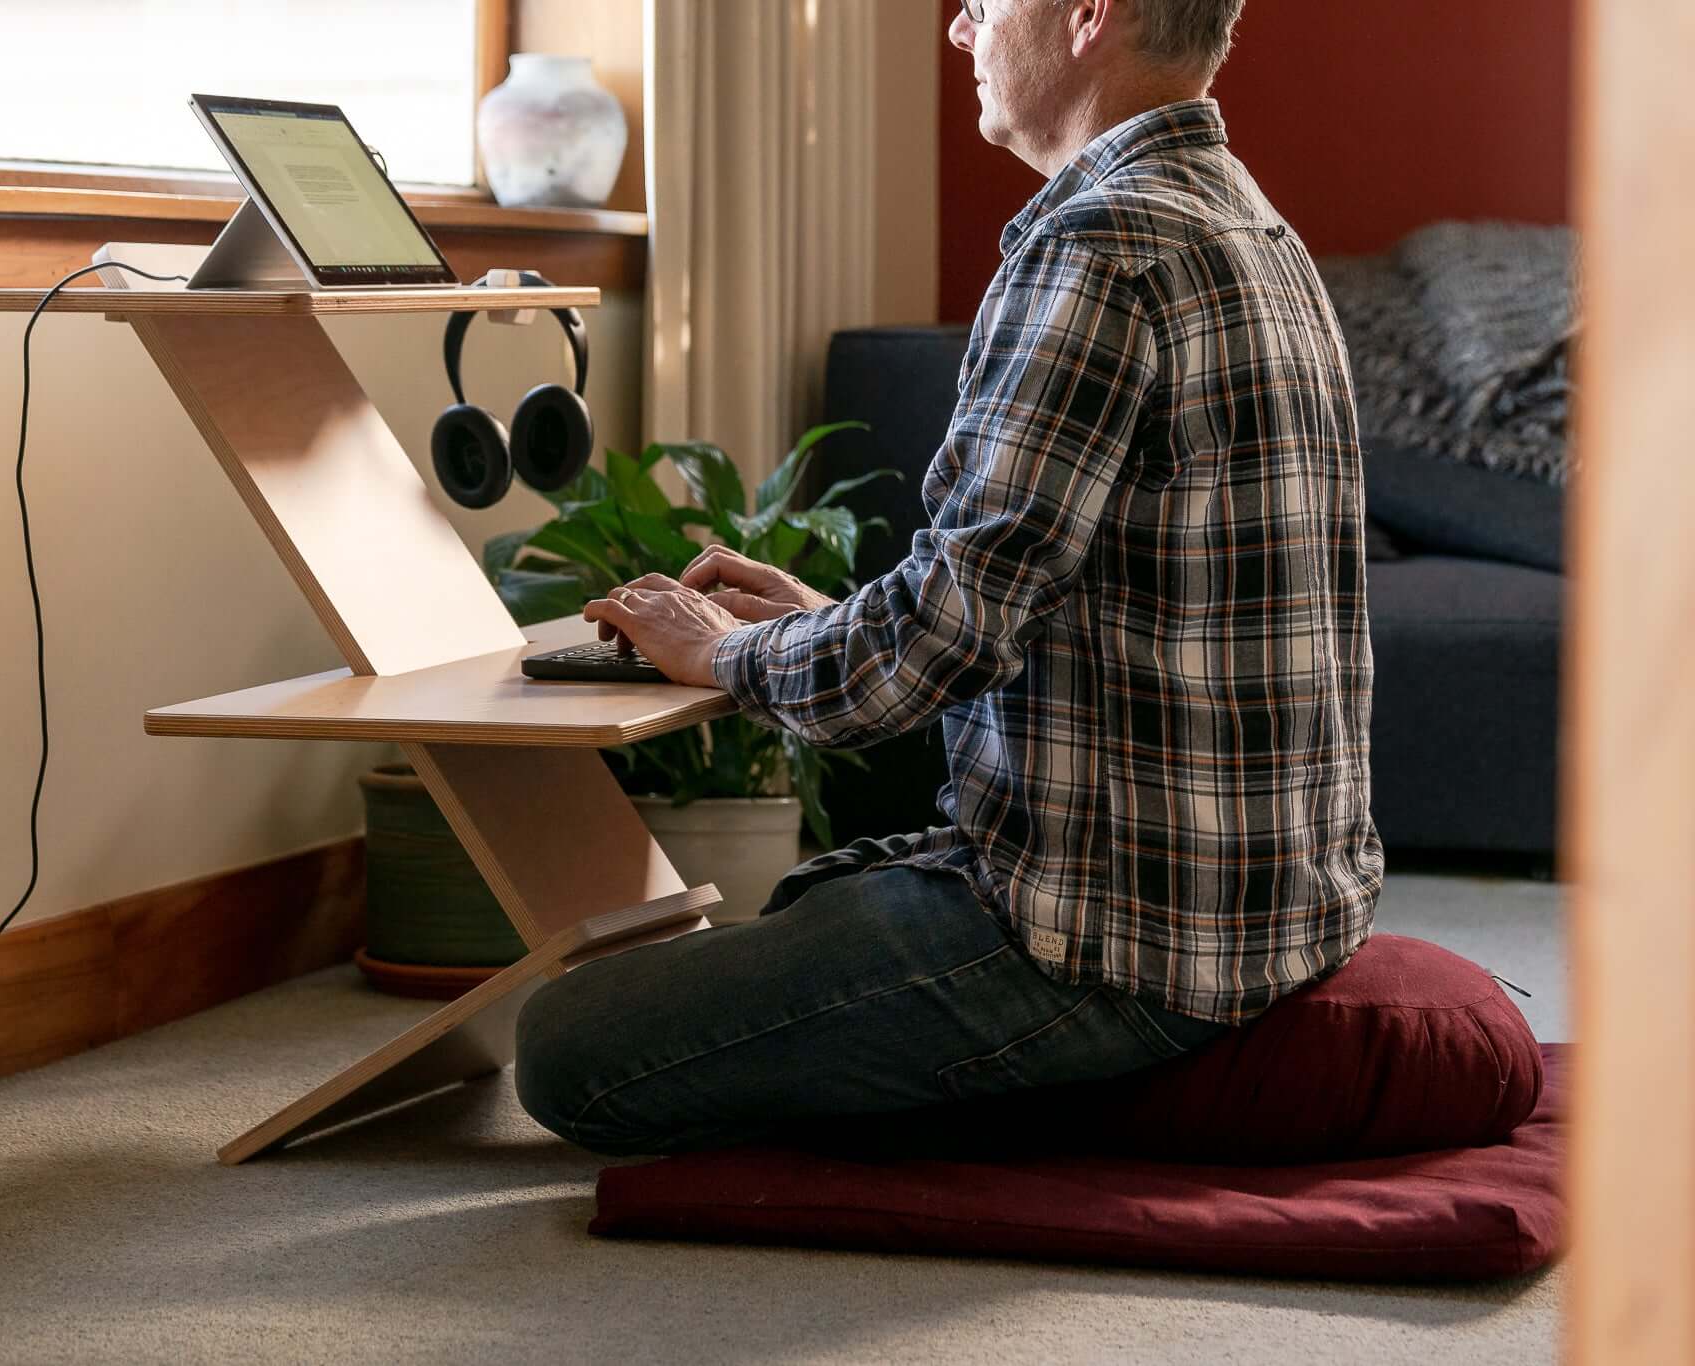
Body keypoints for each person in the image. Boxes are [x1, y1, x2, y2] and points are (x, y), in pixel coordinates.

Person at [513, 0, 1385, 1159]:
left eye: (981, 1)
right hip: (1271, 912)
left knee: (566, 1045)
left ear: (1085, 14)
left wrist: (717, 651)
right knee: (801, 911)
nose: (959, 32)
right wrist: (827, 623)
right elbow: (1049, 609)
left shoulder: (1101, 242)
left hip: (1112, 948)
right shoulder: (1246, 223)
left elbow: (935, 648)